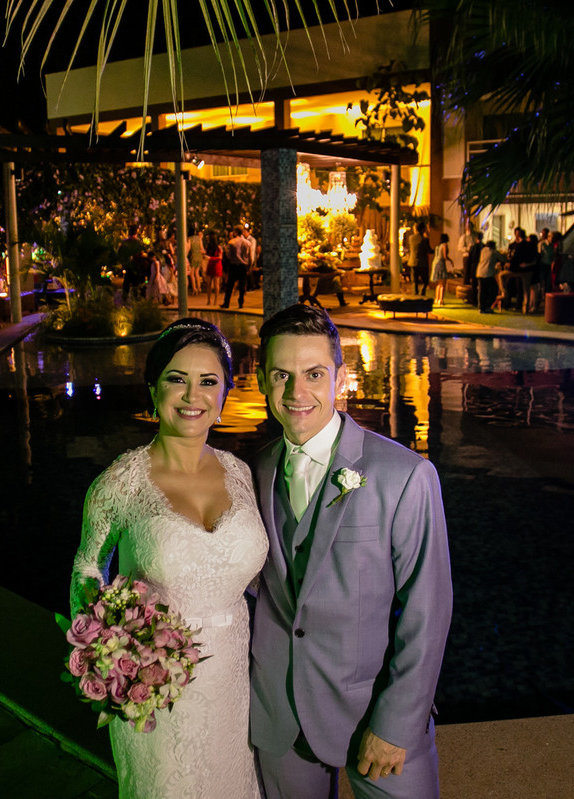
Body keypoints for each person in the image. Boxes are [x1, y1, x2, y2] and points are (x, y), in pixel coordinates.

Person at [249, 304, 452, 799]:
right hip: (280, 718)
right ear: (261, 381)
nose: (296, 393)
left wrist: (398, 722)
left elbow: (428, 608)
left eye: (314, 374)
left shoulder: (406, 475)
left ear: (340, 379)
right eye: (281, 375)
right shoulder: (254, 471)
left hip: (375, 714)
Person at [71, 318, 267, 799]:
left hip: (234, 678)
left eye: (208, 381)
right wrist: (110, 653)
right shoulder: (120, 483)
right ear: (153, 389)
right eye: (177, 379)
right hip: (153, 687)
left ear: (224, 394)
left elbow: (257, 576)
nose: (192, 395)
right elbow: (87, 568)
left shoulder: (241, 473)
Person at [220, 225, 252, 309]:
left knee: (230, 285)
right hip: (243, 266)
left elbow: (228, 256)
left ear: (235, 232)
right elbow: (250, 257)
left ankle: (226, 302)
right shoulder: (248, 243)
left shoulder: (232, 242)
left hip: (234, 265)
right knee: (242, 286)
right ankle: (241, 303)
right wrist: (249, 267)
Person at [429, 233, 452, 306]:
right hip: (441, 264)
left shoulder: (437, 246)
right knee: (442, 283)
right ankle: (441, 300)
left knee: (438, 283)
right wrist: (450, 260)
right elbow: (444, 256)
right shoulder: (444, 245)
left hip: (435, 263)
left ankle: (437, 298)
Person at [203, 231, 223, 306]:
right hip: (212, 265)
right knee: (210, 283)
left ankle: (214, 300)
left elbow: (220, 257)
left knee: (215, 283)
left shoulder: (218, 247)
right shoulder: (209, 247)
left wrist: (210, 258)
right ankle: (211, 300)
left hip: (215, 265)